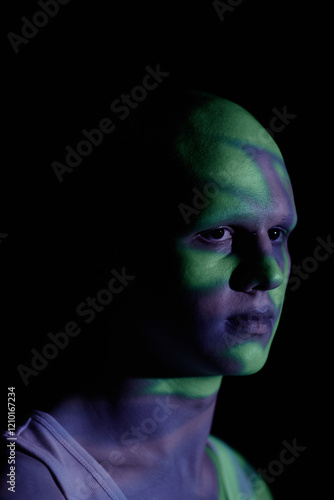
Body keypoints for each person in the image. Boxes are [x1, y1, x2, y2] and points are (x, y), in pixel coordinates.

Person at [1, 90, 297, 499]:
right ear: (116, 249)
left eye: (278, 234)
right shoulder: (32, 482)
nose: (270, 271)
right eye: (217, 233)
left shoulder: (243, 481)